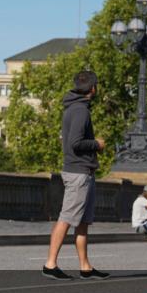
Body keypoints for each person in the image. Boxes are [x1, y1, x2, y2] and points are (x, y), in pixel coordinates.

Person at [42, 70, 110, 280]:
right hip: (78, 172)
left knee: (82, 222)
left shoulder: (75, 107)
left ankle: (85, 267)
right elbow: (75, 143)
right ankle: (50, 264)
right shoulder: (80, 110)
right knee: (67, 218)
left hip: (83, 171)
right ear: (93, 88)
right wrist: (97, 144)